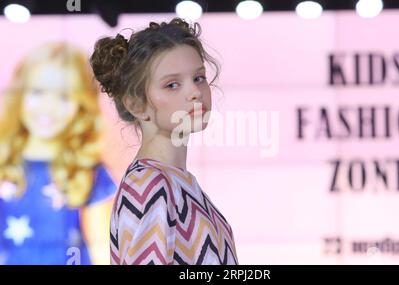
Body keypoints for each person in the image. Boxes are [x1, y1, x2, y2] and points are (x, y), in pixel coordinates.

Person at [90, 18, 239, 265]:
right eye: (172, 85)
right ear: (135, 104)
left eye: (199, 77)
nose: (194, 92)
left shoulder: (175, 181)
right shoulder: (148, 184)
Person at [0, 43, 116, 265]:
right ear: (19, 94)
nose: (48, 107)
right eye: (38, 92)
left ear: (81, 105)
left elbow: (103, 249)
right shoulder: (4, 163)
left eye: (63, 97)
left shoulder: (89, 171)